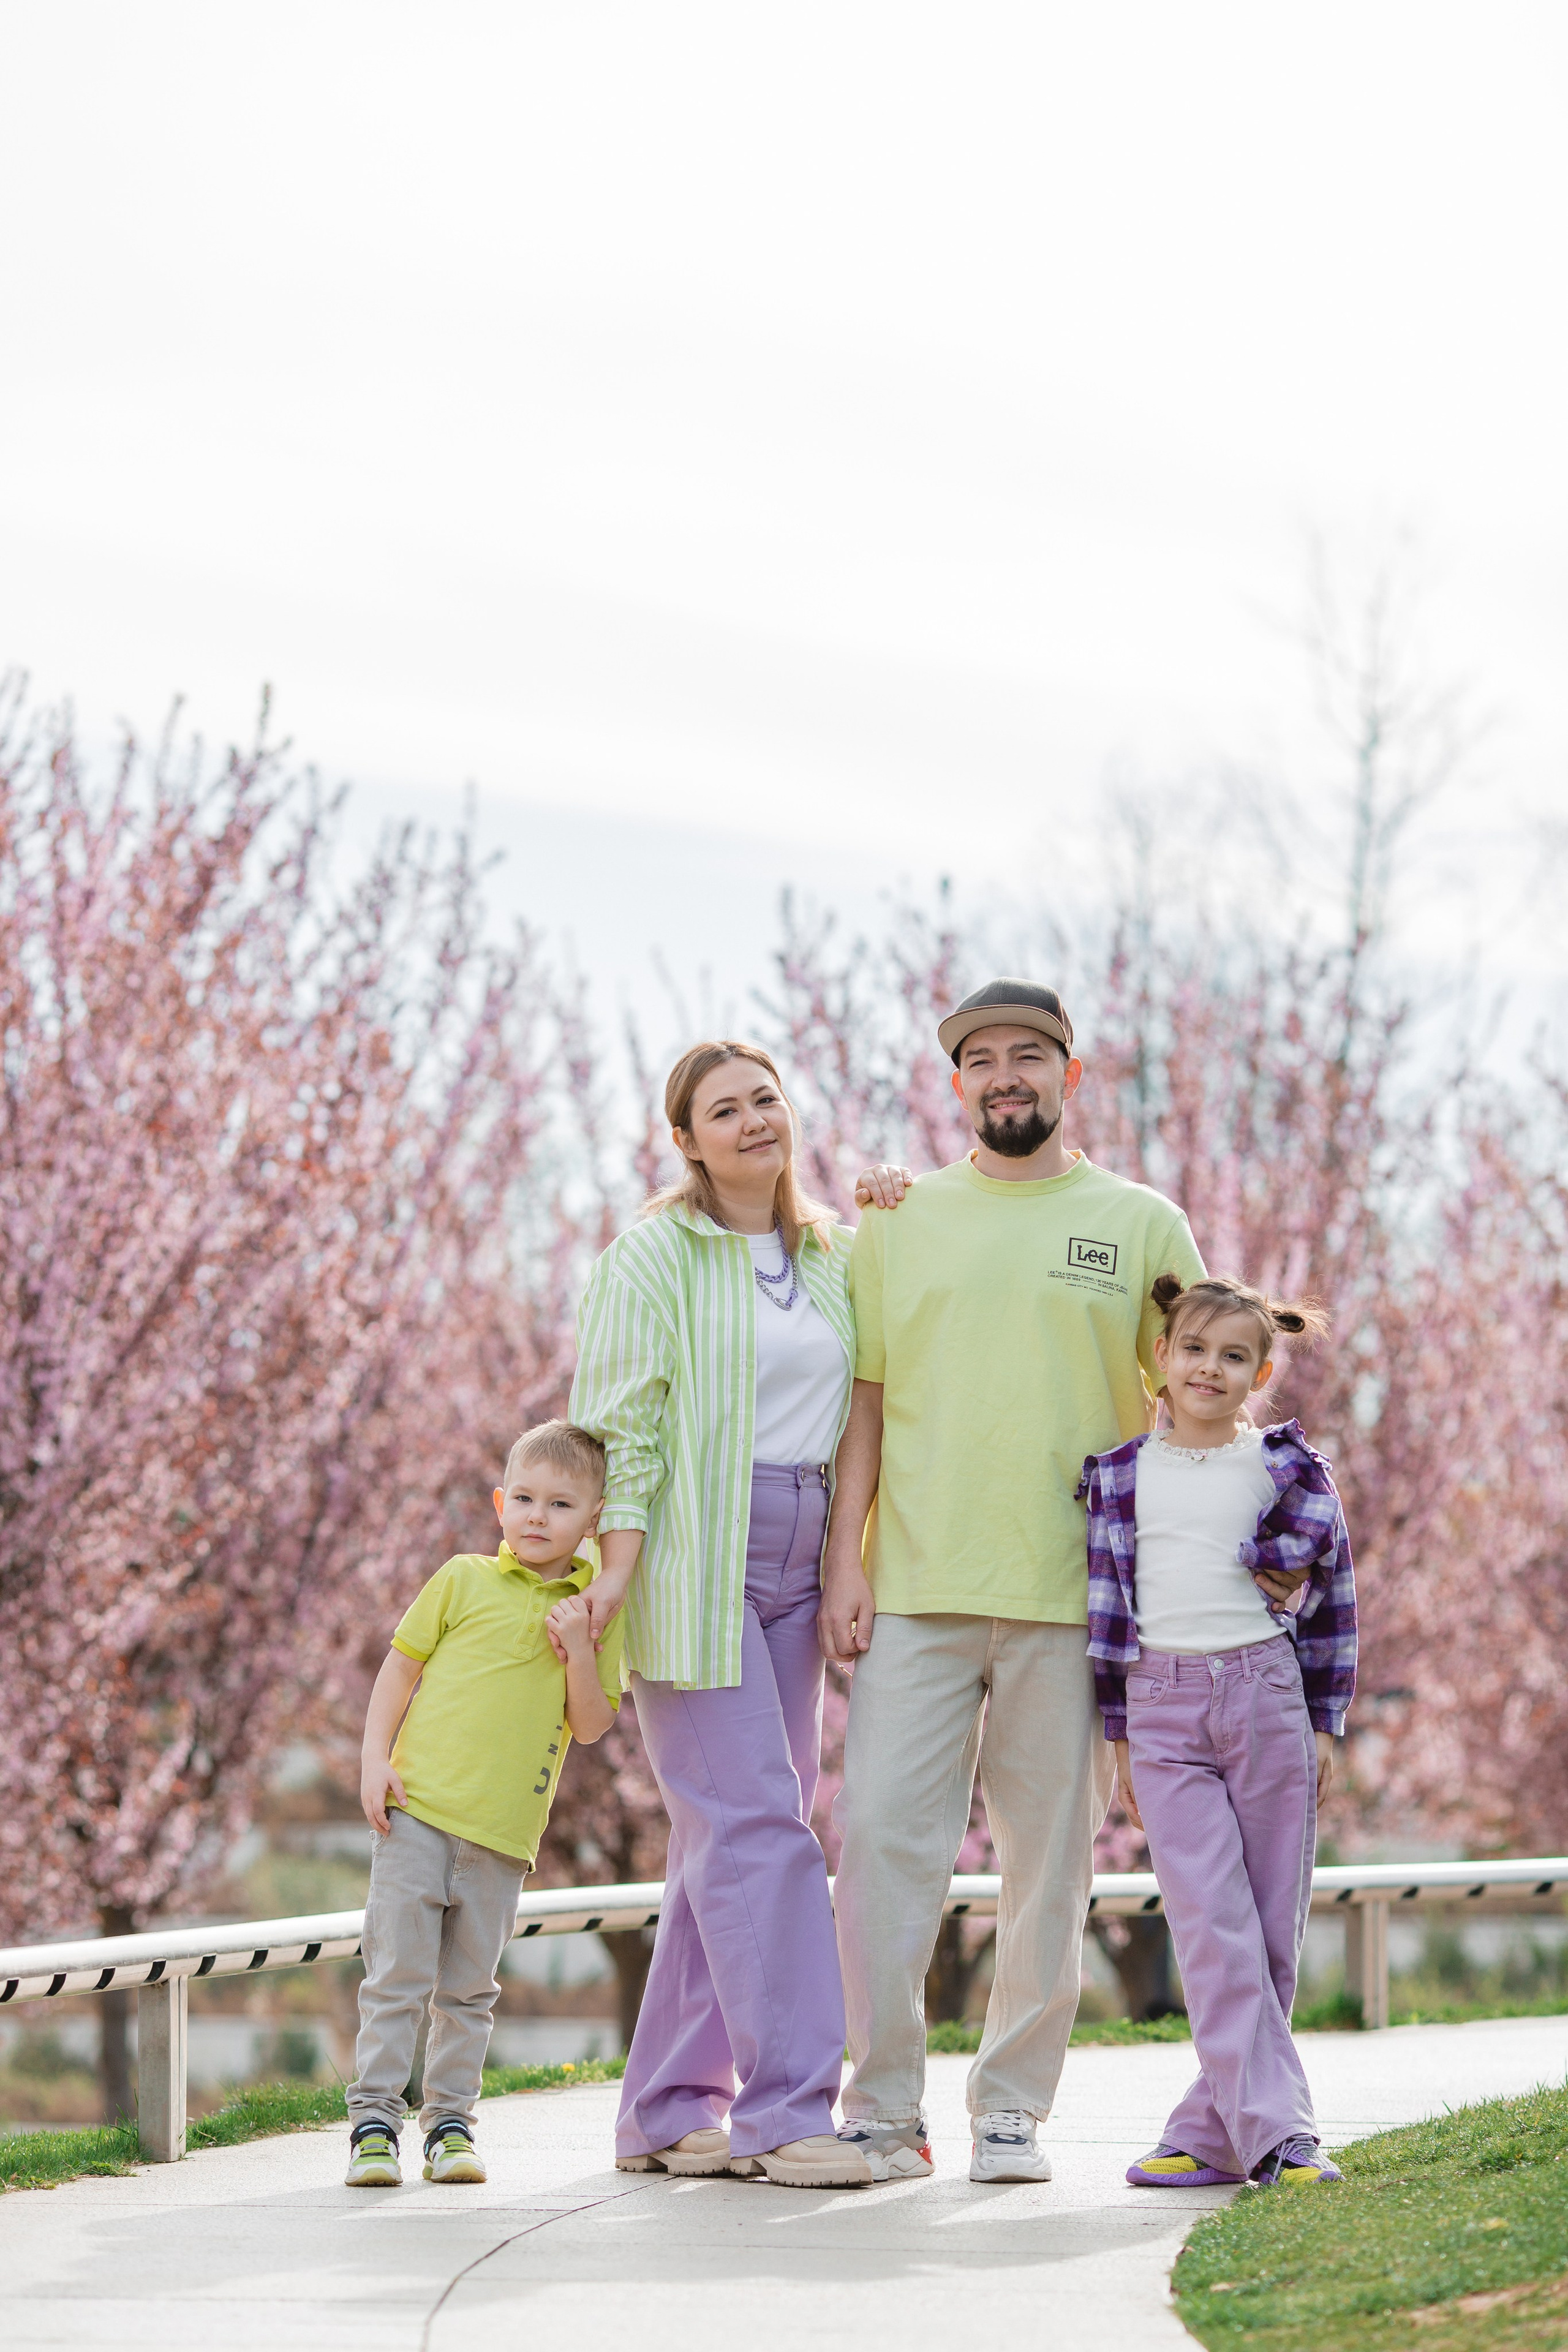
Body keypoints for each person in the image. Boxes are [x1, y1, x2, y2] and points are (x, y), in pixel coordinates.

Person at [821, 978, 1208, 2185]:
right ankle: (882, 2106)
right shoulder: (899, 1218)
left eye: (1027, 1056)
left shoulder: (1142, 1222)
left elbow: (1198, 1396)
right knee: (882, 1838)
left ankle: (1010, 2109)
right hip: (918, 1585)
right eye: (979, 1058)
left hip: (1071, 1595)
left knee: (1049, 1864)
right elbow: (866, 1401)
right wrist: (846, 1557)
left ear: (1067, 1075)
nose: (1003, 1074)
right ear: (955, 1086)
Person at [570, 1041, 875, 2190]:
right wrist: (616, 1569)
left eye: (766, 1099)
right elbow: (623, 1435)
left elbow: (861, 1425)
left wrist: (847, 1564)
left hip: (805, 1550)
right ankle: (789, 2113)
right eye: (723, 1111)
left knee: (736, 1829)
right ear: (687, 1141)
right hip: (696, 1554)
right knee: (759, 1827)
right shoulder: (651, 1257)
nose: (753, 1121)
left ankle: (663, 2107)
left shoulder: (838, 1255)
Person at [1081, 1273, 1357, 2190]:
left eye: (1233, 1356)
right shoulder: (1119, 1476)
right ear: (1161, 1356)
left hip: (1266, 1698)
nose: (1210, 1368)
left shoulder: (1288, 1471)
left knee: (1269, 1930)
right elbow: (1109, 1622)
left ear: (1261, 1371)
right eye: (1193, 1349)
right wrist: (1120, 1737)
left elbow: (1332, 1609)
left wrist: (1324, 1722)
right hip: (1162, 1713)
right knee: (1210, 1926)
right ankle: (1285, 2140)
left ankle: (1207, 2132)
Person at [344, 1420, 624, 2188]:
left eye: (561, 1504)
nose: (538, 1516)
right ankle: (374, 2124)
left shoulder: (596, 1611)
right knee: (396, 1977)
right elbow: (398, 1673)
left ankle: (451, 2128)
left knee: (468, 1991)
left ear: (593, 1521)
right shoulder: (462, 1578)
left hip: (503, 1836)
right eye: (525, 1498)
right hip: (418, 1814)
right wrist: (375, 1761)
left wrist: (577, 1651)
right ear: (501, 1502)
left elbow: (595, 1726)